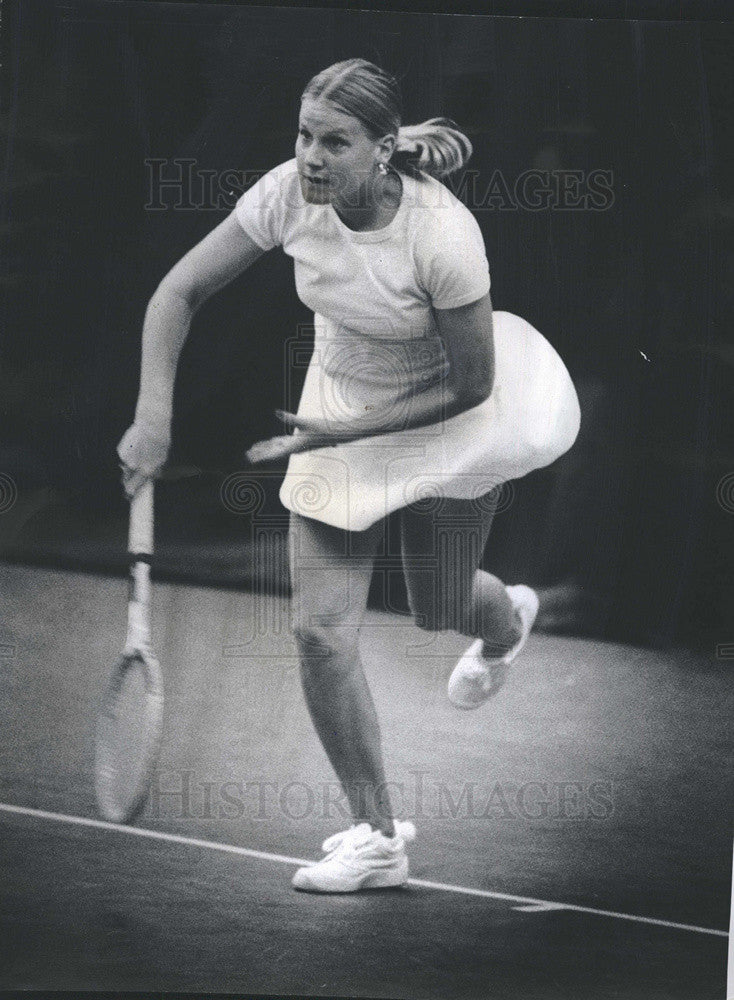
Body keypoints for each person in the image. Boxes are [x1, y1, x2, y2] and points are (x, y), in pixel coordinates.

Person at [117, 58, 580, 894]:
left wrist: (348, 431)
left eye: (335, 141)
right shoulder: (287, 194)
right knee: (321, 635)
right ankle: (376, 837)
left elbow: (470, 383)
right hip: (335, 408)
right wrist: (155, 417)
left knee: (436, 605)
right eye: (304, 135)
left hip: (445, 418)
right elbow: (178, 292)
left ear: (384, 149)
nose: (311, 156)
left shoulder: (442, 235)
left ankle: (505, 619)